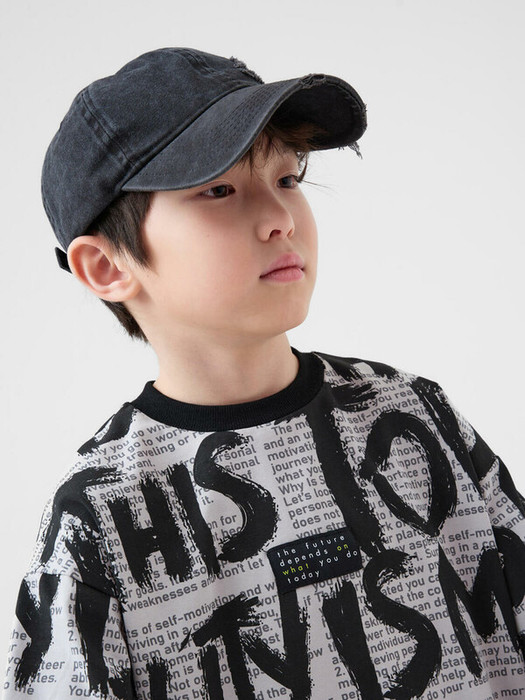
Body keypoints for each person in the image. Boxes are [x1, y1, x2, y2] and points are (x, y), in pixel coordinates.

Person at [2, 47, 524, 700]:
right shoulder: (99, 515)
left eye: (287, 179)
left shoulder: (414, 415)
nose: (280, 218)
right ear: (108, 267)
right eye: (218, 190)